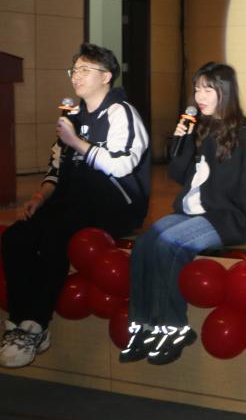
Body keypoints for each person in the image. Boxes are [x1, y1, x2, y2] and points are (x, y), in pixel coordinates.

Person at [1, 44, 150, 368]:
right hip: (73, 203)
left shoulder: (121, 112)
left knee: (57, 235)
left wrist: (77, 142)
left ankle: (36, 324)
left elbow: (123, 164)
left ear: (106, 77)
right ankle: (18, 323)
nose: (76, 77)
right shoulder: (72, 117)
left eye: (85, 70)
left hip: (115, 204)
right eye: (74, 70)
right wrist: (39, 198)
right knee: (16, 237)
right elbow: (56, 169)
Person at [121, 63, 246, 365]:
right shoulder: (201, 127)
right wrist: (180, 143)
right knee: (144, 244)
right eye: (196, 89)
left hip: (225, 216)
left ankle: (174, 327)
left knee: (169, 244)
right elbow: (180, 176)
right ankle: (143, 324)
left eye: (207, 89)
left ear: (225, 91)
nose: (199, 96)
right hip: (192, 212)